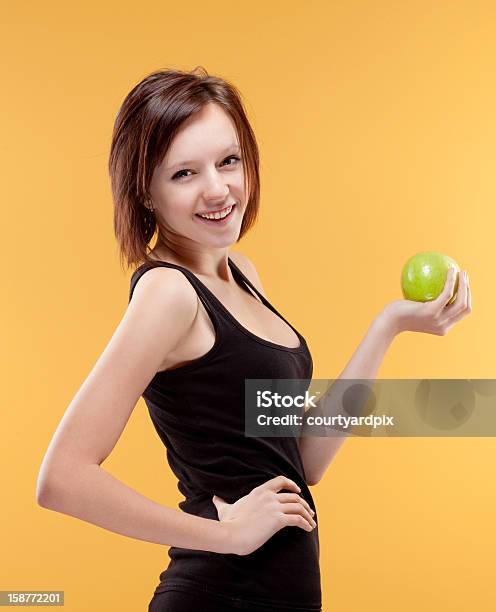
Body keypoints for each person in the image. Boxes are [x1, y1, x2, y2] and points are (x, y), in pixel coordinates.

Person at [36, 67, 472, 611]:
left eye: (229, 160)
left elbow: (302, 462)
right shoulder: (170, 294)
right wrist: (227, 535)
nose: (218, 189)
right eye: (183, 174)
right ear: (145, 191)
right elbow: (61, 478)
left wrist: (389, 325)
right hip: (220, 594)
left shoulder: (240, 273)